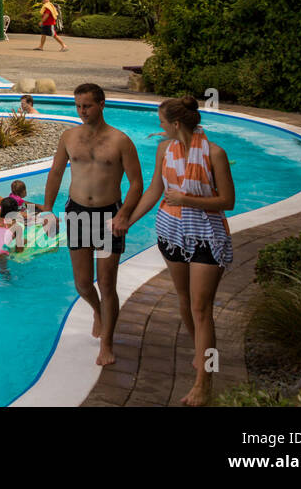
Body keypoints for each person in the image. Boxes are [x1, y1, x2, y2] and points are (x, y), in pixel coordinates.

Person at [125, 95, 235, 406]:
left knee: (202, 310)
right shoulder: (164, 149)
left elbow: (227, 201)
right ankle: (202, 354)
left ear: (175, 124)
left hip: (207, 236)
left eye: (162, 122)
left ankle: (204, 381)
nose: (158, 128)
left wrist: (187, 200)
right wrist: (128, 221)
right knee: (185, 303)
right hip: (171, 231)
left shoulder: (216, 154)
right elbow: (155, 190)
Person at [41, 82, 143, 366]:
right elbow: (56, 172)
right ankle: (97, 311)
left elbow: (137, 184)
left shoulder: (121, 141)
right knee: (83, 283)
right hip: (77, 213)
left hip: (110, 217)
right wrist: (48, 210)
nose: (82, 111)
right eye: (78, 106)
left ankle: (107, 343)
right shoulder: (69, 137)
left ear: (101, 104)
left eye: (86, 105)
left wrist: (124, 216)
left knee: (107, 284)